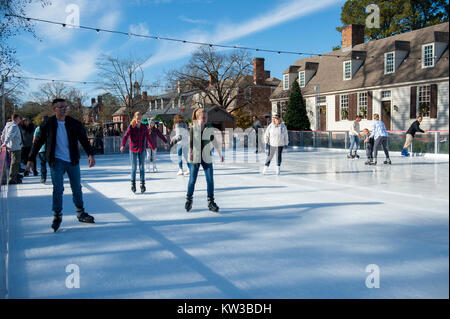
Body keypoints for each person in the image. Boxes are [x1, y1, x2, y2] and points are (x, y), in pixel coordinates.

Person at [27, 99, 96, 232]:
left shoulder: (74, 123)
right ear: (54, 109)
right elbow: (38, 142)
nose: (64, 109)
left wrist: (90, 154)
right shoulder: (48, 124)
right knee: (58, 188)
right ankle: (57, 215)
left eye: (66, 107)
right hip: (56, 161)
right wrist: (30, 159)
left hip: (72, 160)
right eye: (61, 107)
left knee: (77, 187)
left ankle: (80, 213)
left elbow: (84, 140)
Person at [185, 108, 224, 213]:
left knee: (210, 179)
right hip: (195, 157)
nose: (205, 119)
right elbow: (190, 142)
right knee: (192, 180)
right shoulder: (193, 127)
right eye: (203, 117)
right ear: (198, 117)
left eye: (206, 117)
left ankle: (211, 202)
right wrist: (191, 153)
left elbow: (214, 140)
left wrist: (220, 153)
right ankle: (189, 199)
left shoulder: (209, 127)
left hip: (206, 156)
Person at [120, 112, 155, 193]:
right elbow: (125, 136)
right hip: (133, 150)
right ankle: (133, 184)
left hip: (142, 149)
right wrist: (122, 145)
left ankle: (142, 184)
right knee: (134, 167)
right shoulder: (131, 126)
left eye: (140, 118)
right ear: (135, 118)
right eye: (137, 118)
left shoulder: (143, 127)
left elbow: (148, 137)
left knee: (142, 167)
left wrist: (152, 147)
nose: (139, 119)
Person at [1, 114, 23, 184]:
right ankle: (12, 178)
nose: (20, 120)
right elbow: (10, 135)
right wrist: (5, 143)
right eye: (20, 118)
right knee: (15, 162)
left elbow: (3, 134)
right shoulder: (14, 126)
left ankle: (15, 175)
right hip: (15, 147)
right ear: (16, 118)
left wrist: (4, 141)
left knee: (14, 162)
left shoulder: (8, 125)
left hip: (11, 146)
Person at [33, 115, 49, 184]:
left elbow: (34, 140)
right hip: (48, 149)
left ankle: (43, 177)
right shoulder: (52, 128)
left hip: (42, 149)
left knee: (43, 164)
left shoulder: (38, 128)